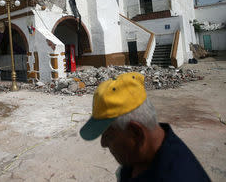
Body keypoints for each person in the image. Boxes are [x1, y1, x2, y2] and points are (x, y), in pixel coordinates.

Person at [80, 72, 210, 182]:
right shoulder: (135, 157)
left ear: (136, 133)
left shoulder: (179, 176)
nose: (103, 143)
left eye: (108, 135)